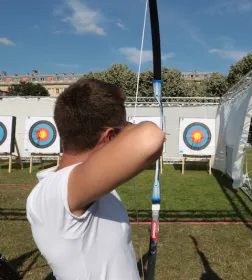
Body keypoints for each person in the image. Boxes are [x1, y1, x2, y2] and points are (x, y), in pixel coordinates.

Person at [26, 79, 165, 279]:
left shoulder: (84, 185)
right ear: (108, 137)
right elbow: (151, 138)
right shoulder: (53, 191)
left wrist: (122, 128)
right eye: (125, 127)